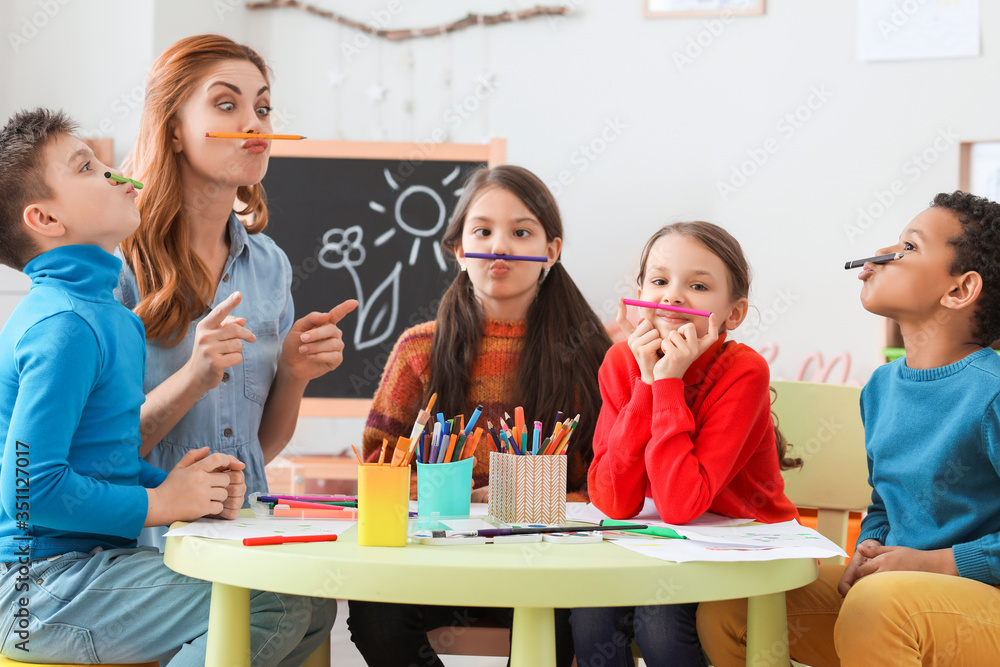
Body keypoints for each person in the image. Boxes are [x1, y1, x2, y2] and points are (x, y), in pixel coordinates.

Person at [0, 108, 330, 665]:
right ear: (45, 218)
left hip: (97, 568)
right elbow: (31, 492)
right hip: (37, 591)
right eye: (87, 168)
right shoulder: (65, 327)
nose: (120, 175)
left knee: (312, 602)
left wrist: (184, 488)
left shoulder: (114, 320)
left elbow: (106, 460)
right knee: (272, 599)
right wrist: (162, 500)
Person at [698, 192, 1000, 666]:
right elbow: (884, 502)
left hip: (980, 604)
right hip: (892, 600)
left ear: (959, 290)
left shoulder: (993, 392)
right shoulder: (881, 388)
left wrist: (936, 563)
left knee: (876, 606)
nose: (879, 256)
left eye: (908, 248)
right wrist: (868, 547)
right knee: (734, 607)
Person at [348, 164, 612, 667]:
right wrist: (448, 497)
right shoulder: (418, 350)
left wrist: (531, 497)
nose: (500, 247)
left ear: (550, 252)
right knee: (374, 613)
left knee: (561, 620)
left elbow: (608, 489)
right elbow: (379, 473)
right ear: (458, 249)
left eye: (521, 232)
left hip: (544, 563)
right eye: (483, 231)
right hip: (439, 559)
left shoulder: (589, 357)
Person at [116, 34, 356, 509]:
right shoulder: (119, 264)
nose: (253, 123)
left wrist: (293, 371)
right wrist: (194, 376)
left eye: (263, 109)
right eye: (226, 105)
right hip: (149, 545)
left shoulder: (271, 266)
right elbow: (98, 454)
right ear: (174, 130)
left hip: (241, 531)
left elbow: (255, 450)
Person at [572, 221, 800, 667]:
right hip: (665, 542)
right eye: (659, 281)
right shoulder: (621, 363)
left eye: (697, 285)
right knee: (589, 615)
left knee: (659, 624)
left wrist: (668, 382)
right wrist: (644, 383)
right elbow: (614, 501)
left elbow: (682, 504)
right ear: (638, 296)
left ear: (732, 315)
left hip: (743, 541)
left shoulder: (744, 372)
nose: (673, 296)